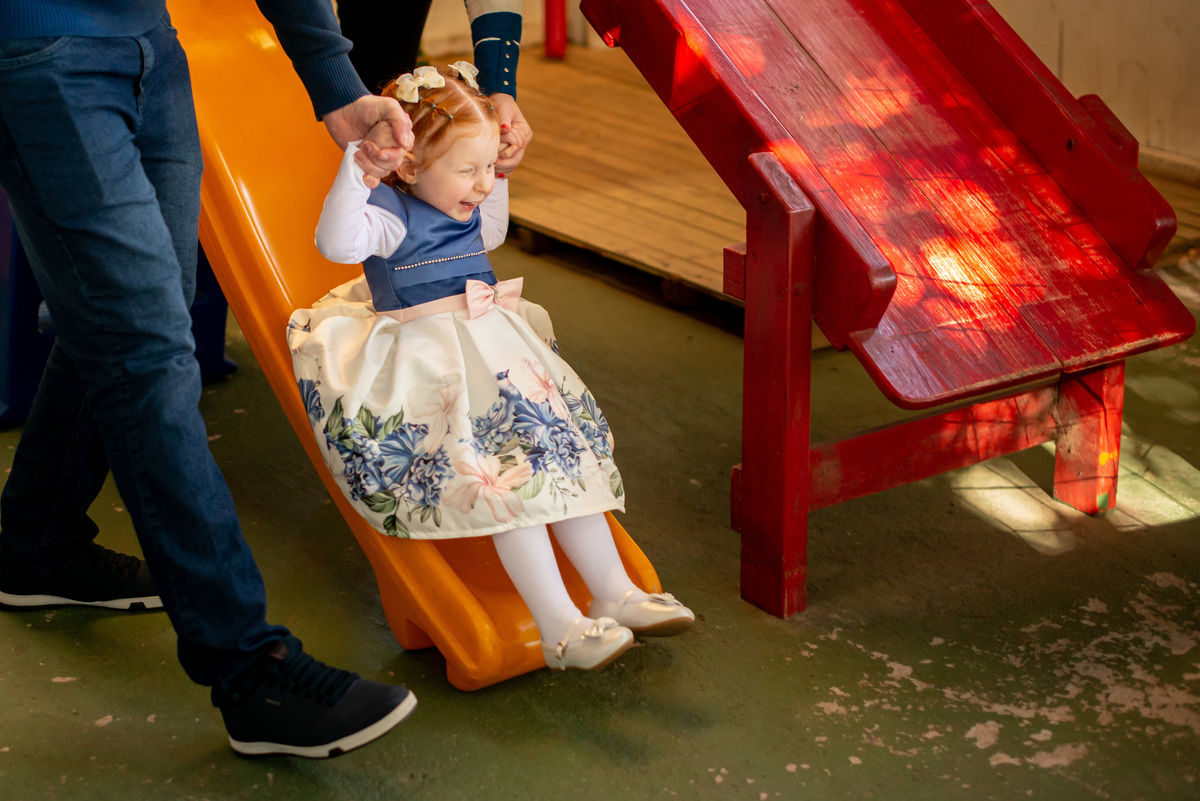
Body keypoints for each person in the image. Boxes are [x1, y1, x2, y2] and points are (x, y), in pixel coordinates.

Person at [0, 0, 422, 758]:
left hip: (150, 47)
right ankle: (250, 669)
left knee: (134, 311)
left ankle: (37, 539)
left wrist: (334, 80)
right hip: (41, 48)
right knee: (146, 347)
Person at [288, 64, 695, 673]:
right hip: (436, 368)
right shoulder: (391, 214)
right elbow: (336, 244)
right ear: (409, 166)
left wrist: (497, 172)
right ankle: (559, 626)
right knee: (505, 484)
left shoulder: (469, 201)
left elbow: (493, 230)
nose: (480, 185)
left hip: (497, 357)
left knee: (560, 460)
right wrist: (358, 170)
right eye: (467, 170)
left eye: (488, 168)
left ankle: (616, 591)